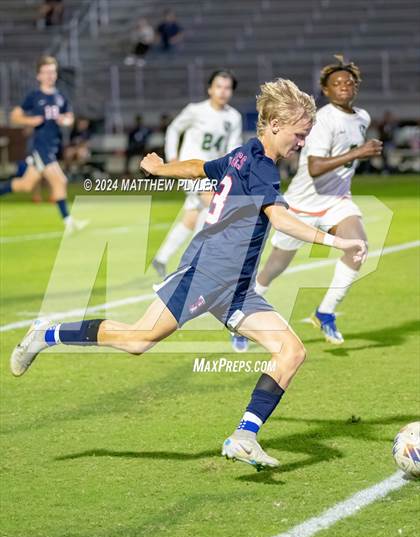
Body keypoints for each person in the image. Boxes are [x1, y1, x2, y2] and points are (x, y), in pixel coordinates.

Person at [10, 78, 367, 471]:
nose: (302, 142)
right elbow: (280, 219)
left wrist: (162, 168)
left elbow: (201, 168)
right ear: (276, 124)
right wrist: (337, 241)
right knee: (138, 341)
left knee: (292, 351)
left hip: (235, 288)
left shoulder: (245, 153)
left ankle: (244, 437)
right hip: (204, 274)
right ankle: (46, 334)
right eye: (299, 134)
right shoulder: (262, 167)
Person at [232, 55, 382, 352]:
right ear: (326, 90)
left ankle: (325, 312)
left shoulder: (362, 117)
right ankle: (241, 317)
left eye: (349, 82)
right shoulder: (323, 119)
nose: (344, 86)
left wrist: (358, 153)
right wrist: (359, 153)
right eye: (337, 83)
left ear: (356, 86)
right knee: (274, 268)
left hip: (337, 201)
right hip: (302, 204)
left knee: (358, 248)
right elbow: (314, 167)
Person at [152, 69, 242, 278]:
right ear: (210, 89)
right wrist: (172, 158)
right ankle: (195, 261)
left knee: (193, 215)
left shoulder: (234, 117)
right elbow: (174, 129)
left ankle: (161, 259)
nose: (223, 91)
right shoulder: (195, 110)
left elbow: (233, 147)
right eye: (218, 86)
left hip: (211, 172)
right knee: (214, 204)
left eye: (227, 88)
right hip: (191, 169)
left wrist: (230, 170)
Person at [0, 56, 87, 232]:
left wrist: (66, 120)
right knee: (60, 180)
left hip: (53, 147)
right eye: (45, 72)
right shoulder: (34, 96)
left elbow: (70, 117)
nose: (49, 76)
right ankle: (69, 223)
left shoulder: (60, 96)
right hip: (40, 148)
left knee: (26, 185)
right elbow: (15, 116)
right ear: (38, 76)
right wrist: (30, 120)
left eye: (52, 72)